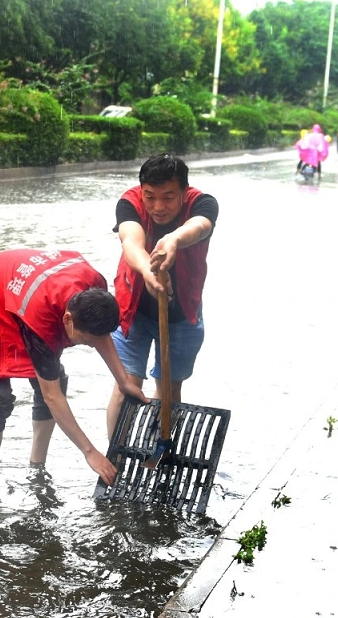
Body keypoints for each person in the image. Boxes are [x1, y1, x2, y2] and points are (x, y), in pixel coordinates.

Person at [0, 248, 148, 491]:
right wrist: (90, 452)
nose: (92, 344)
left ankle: (37, 468)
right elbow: (52, 396)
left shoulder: (94, 287)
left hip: (18, 290)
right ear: (67, 320)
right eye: (85, 340)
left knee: (56, 379)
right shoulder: (40, 315)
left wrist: (123, 380)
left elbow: (101, 335)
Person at [105, 154, 218, 440]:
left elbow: (201, 226)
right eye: (150, 197)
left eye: (168, 197)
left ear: (184, 191)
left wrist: (175, 239)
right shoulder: (129, 202)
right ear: (141, 191)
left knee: (168, 386)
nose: (158, 207)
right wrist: (147, 270)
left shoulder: (202, 203)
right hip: (134, 310)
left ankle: (157, 453)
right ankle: (116, 457)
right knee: (126, 383)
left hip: (182, 312)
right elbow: (130, 240)